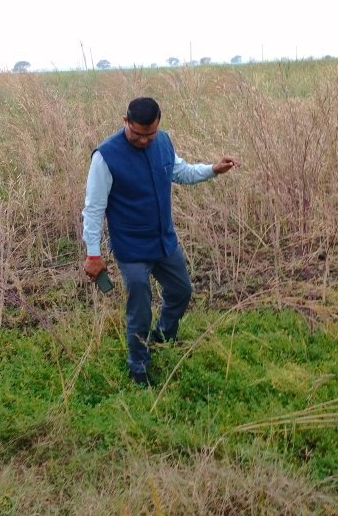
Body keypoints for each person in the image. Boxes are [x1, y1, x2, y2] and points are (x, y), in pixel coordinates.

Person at [81, 97, 240, 386]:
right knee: (140, 308)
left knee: (182, 291)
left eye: (149, 134)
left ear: (158, 127)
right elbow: (93, 208)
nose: (143, 140)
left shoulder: (163, 142)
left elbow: (180, 172)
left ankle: (163, 335)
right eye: (136, 134)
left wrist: (212, 170)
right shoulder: (105, 156)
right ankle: (138, 366)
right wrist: (93, 254)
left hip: (164, 241)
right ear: (125, 122)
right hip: (131, 249)